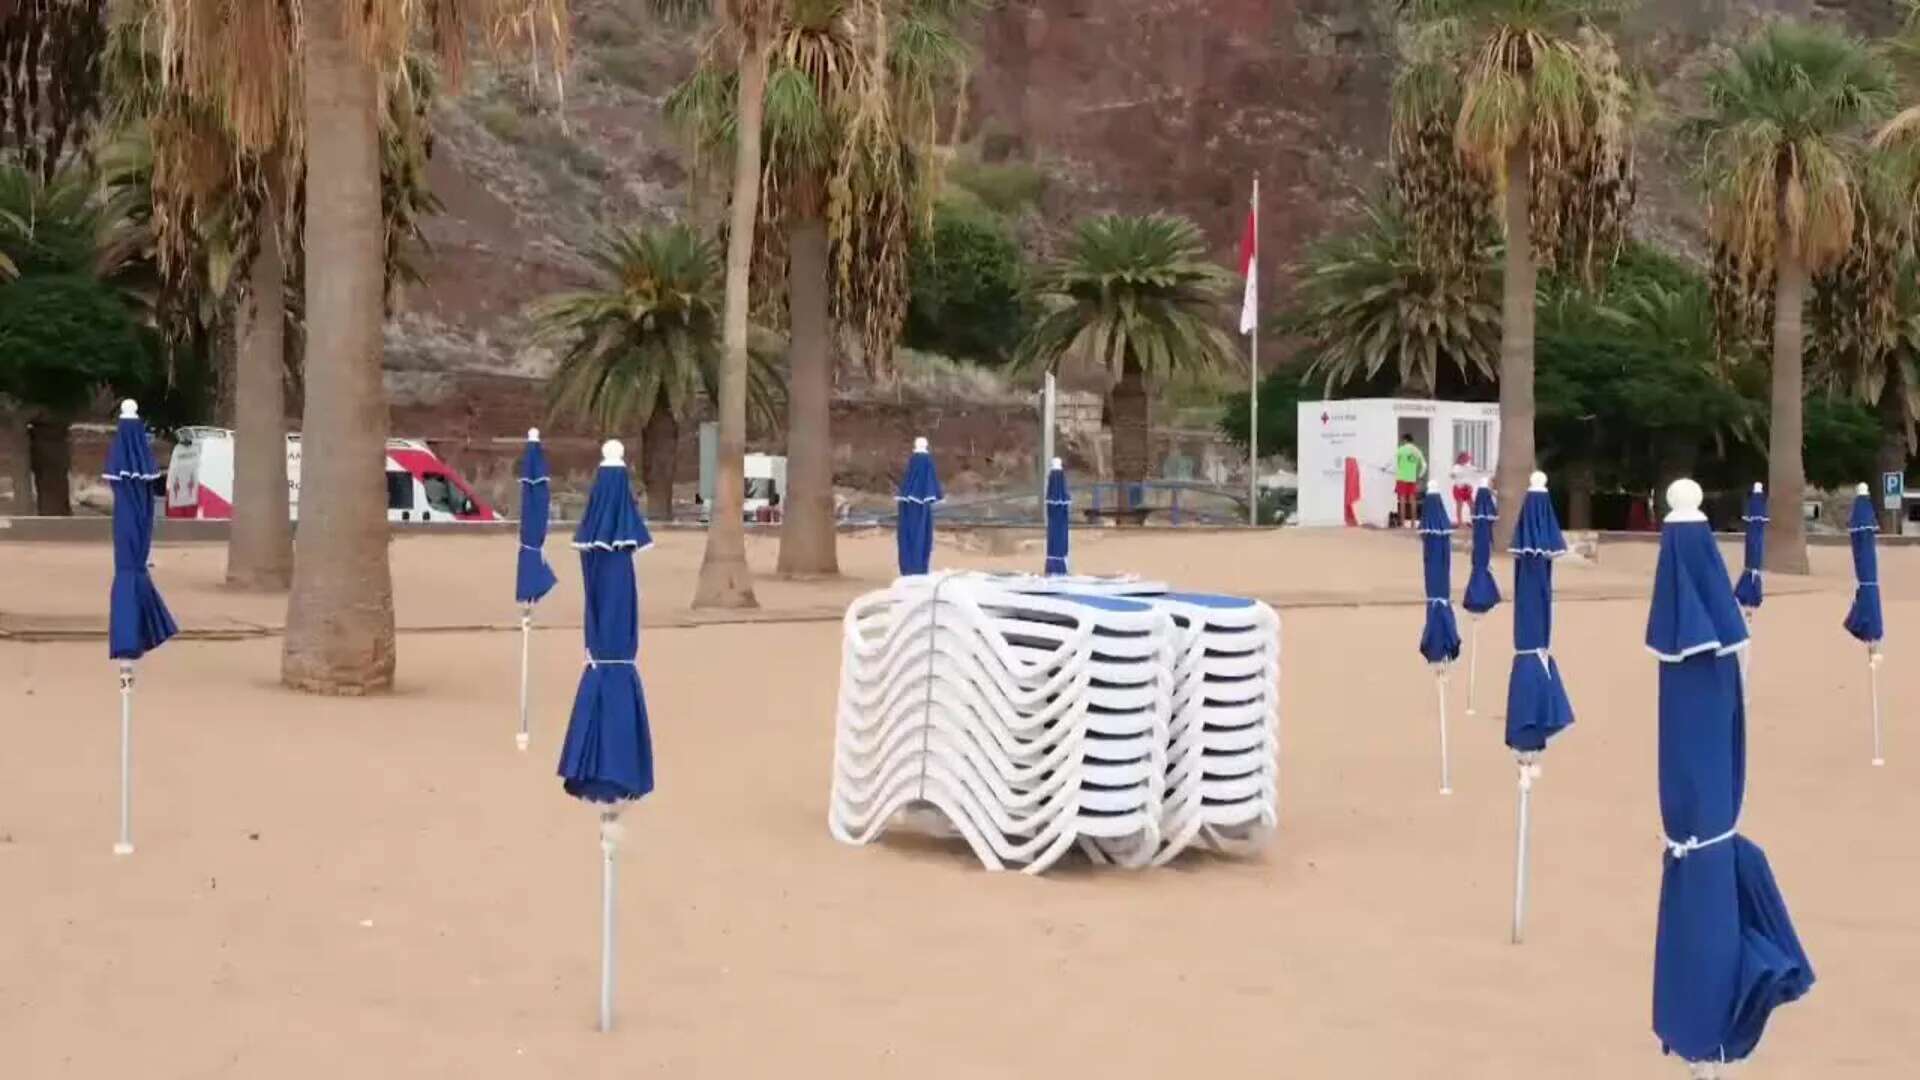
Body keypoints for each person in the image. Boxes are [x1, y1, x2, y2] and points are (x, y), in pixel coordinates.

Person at [1394, 433, 1426, 527]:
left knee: (1402, 500)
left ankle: (1403, 523)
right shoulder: (1417, 451)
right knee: (1413, 500)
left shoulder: (1402, 449)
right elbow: (1424, 465)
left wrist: (1385, 468)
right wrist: (1420, 475)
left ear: (1405, 440)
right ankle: (1413, 523)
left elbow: (1392, 461)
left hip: (1402, 478)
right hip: (1412, 479)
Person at [1450, 451, 1476, 525]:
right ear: (1461, 459)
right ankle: (1460, 522)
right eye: (1466, 458)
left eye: (1468, 459)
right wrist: (1456, 475)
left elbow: (1473, 474)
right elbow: (1452, 475)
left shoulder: (1469, 466)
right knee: (1460, 505)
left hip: (1467, 488)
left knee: (1472, 505)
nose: (1467, 460)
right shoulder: (1456, 467)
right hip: (1459, 488)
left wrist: (1470, 486)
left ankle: (1473, 521)